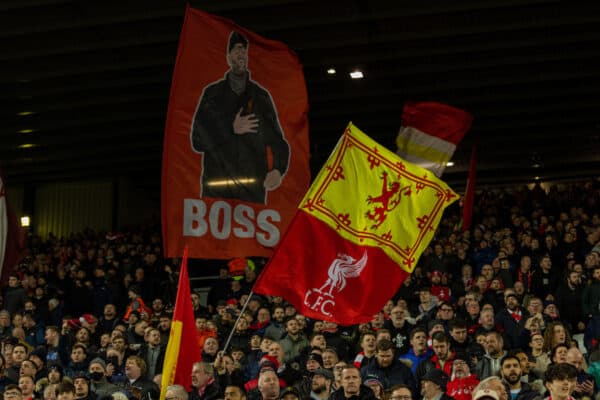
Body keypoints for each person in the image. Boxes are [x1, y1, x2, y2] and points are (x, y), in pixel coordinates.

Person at [190, 31, 290, 204]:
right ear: (228, 57)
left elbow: (277, 141)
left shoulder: (261, 97)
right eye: (236, 51)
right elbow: (197, 140)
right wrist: (231, 129)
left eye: (244, 50)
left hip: (251, 192)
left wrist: (278, 169)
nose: (241, 54)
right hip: (217, 191)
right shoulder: (212, 95)